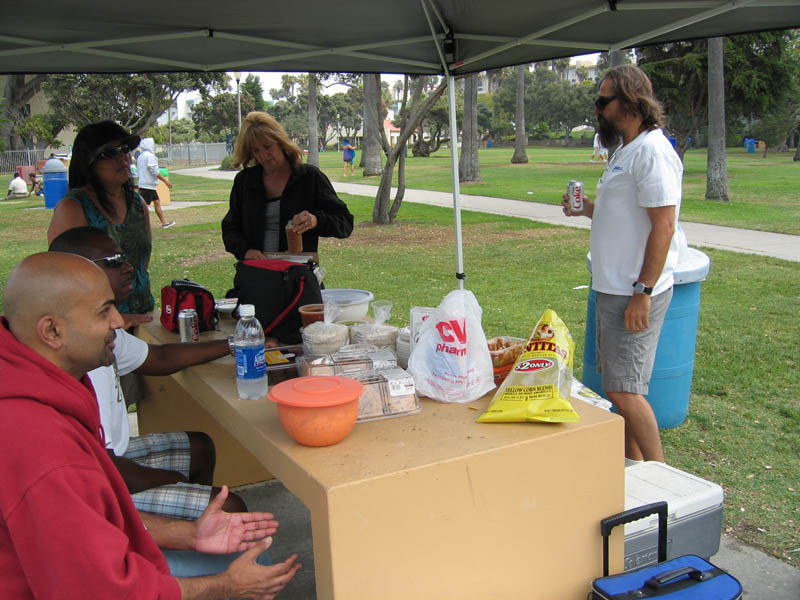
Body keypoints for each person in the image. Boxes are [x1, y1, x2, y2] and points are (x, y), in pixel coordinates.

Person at [0, 252, 301, 597]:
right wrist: (225, 585)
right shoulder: (40, 448)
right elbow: (100, 591)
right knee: (257, 564)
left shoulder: (32, 378)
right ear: (52, 330)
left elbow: (94, 521)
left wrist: (189, 533)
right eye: (103, 311)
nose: (117, 321)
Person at [49, 226, 262, 519]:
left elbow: (159, 358)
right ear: (78, 271)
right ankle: (177, 541)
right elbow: (107, 469)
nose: (128, 268)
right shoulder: (77, 357)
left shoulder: (99, 327)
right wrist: (173, 482)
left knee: (199, 448)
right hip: (92, 485)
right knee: (228, 507)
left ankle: (193, 539)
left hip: (111, 457)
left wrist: (234, 343)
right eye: (114, 261)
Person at [562, 65, 682, 463]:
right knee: (617, 385)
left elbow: (663, 226)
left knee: (626, 390)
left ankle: (662, 475)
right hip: (611, 287)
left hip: (633, 289)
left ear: (630, 101)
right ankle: (631, 467)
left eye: (603, 102)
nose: (598, 110)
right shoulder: (627, 150)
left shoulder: (652, 152)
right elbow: (627, 216)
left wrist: (642, 293)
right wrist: (588, 210)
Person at [47, 120, 155, 323]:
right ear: (88, 163)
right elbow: (63, 276)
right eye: (109, 152)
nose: (123, 157)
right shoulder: (73, 207)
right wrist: (111, 317)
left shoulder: (137, 203)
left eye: (124, 149)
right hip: (97, 326)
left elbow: (140, 262)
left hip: (143, 316)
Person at [222, 111, 354, 261]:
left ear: (281, 143)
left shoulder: (309, 177)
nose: (263, 155)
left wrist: (315, 220)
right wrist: (245, 251)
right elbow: (230, 228)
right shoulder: (244, 181)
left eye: (267, 147)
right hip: (256, 276)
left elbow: (345, 223)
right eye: (256, 150)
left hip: (298, 277)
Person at [137, 137, 176, 229]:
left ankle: (164, 223)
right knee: (142, 207)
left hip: (147, 185)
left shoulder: (140, 156)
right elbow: (154, 171)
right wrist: (166, 181)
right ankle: (137, 225)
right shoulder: (149, 156)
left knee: (157, 203)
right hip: (147, 185)